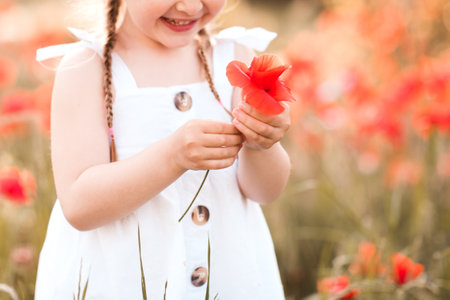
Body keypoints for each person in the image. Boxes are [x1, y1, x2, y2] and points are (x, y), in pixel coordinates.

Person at [34, 0, 291, 299]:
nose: (191, 6)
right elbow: (79, 206)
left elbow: (265, 192)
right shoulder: (87, 68)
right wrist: (172, 157)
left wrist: (262, 144)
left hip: (228, 276)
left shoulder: (234, 58)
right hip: (122, 281)